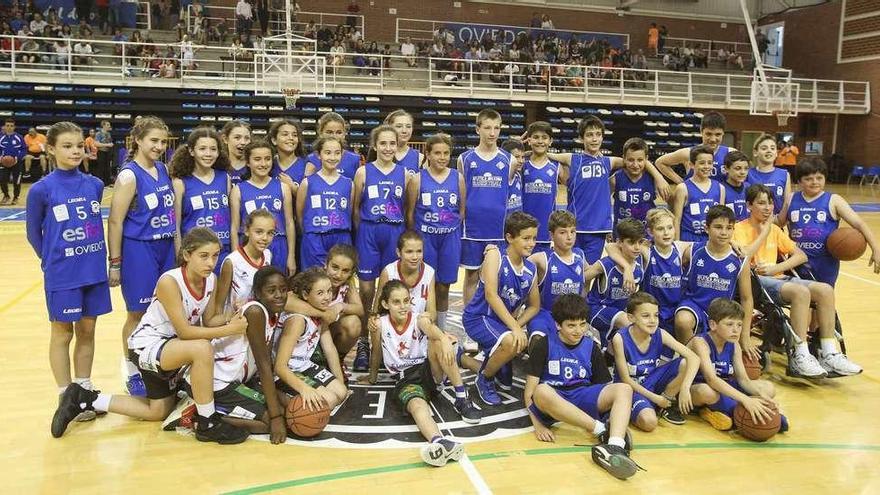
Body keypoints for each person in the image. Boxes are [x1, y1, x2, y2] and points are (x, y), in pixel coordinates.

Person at [51, 228, 251, 443]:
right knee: (202, 348)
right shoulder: (170, 281)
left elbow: (211, 320)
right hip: (147, 345)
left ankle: (85, 398)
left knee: (158, 412)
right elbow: (185, 331)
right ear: (186, 255)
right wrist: (229, 330)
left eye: (215, 256)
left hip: (170, 347)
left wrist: (235, 314)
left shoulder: (210, 279)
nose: (211, 262)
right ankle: (207, 422)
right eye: (204, 256)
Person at [26, 121, 112, 425]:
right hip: (63, 274)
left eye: (79, 146)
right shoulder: (41, 189)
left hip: (93, 270)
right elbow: (34, 234)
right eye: (67, 146)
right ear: (51, 149)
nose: (75, 151)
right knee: (62, 333)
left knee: (87, 332)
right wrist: (51, 260)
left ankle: (84, 391)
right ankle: (65, 395)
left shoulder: (94, 185)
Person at [736, 183, 862, 377]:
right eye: (761, 203)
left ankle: (828, 351)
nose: (768, 207)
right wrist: (764, 231)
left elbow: (800, 256)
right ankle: (799, 354)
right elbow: (745, 255)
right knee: (800, 292)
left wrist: (776, 268)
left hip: (777, 277)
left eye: (770, 203)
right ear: (749, 206)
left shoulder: (776, 231)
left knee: (825, 290)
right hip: (755, 282)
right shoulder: (739, 229)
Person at [524, 294, 641, 480]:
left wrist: (609, 415)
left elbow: (603, 387)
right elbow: (529, 393)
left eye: (582, 324)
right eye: (571, 325)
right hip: (555, 400)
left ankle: (615, 447)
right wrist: (537, 425)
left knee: (623, 389)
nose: (578, 330)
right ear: (558, 325)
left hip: (582, 396)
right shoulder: (544, 344)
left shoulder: (591, 347)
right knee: (541, 390)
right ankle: (601, 431)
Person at [365, 280, 480, 466]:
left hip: (429, 371)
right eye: (396, 302)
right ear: (385, 304)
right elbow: (377, 351)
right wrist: (372, 378)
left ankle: (461, 397)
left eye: (406, 300)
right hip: (405, 379)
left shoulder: (419, 318)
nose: (403, 306)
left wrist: (443, 338)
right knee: (417, 406)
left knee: (440, 342)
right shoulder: (379, 325)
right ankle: (439, 441)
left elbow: (430, 329)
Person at [107, 116, 177, 397]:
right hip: (139, 248)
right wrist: (115, 263)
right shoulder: (129, 175)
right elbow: (115, 221)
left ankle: (160, 364)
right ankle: (131, 368)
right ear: (137, 140)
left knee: (167, 310)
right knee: (137, 312)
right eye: (153, 141)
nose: (159, 146)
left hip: (166, 247)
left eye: (163, 141)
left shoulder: (163, 168)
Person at [542, 115, 669, 264]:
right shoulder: (573, 158)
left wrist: (659, 177)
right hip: (575, 226)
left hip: (598, 228)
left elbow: (636, 159)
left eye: (598, 134)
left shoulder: (608, 162)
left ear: (602, 137)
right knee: (570, 266)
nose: (594, 139)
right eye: (589, 135)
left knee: (588, 269)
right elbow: (545, 154)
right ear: (581, 138)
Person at [461, 211, 541, 406]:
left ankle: (462, 359)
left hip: (501, 324)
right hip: (478, 318)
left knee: (505, 382)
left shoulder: (530, 270)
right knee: (512, 342)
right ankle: (483, 379)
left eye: (534, 238)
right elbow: (491, 295)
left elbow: (534, 307)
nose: (531, 243)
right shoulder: (495, 256)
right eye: (526, 238)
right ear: (509, 238)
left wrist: (516, 325)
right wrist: (514, 329)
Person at [351, 125, 408, 370]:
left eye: (392, 143)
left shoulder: (406, 174)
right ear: (375, 145)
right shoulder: (363, 172)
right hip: (369, 231)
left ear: (398, 145)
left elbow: (408, 207)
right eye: (383, 143)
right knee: (366, 290)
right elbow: (355, 208)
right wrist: (362, 231)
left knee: (389, 290)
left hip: (394, 232)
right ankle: (364, 342)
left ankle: (387, 343)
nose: (387, 148)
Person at [688, 298, 784, 432]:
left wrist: (764, 397)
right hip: (698, 389)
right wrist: (746, 400)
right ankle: (736, 413)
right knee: (706, 392)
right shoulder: (700, 342)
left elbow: (743, 380)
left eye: (739, 325)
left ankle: (715, 412)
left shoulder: (734, 345)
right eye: (730, 324)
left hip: (723, 386)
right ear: (713, 325)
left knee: (768, 388)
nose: (736, 330)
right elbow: (712, 380)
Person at [611, 292, 700, 430]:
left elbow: (694, 358)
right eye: (646, 316)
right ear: (631, 317)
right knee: (649, 422)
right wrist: (655, 398)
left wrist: (685, 387)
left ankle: (665, 403)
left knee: (685, 363)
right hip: (631, 388)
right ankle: (636, 408)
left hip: (652, 381)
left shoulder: (661, 333)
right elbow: (626, 380)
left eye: (656, 315)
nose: (652, 320)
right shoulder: (620, 338)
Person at [788, 157, 880, 287]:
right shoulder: (791, 198)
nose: (815, 182)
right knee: (799, 301)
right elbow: (778, 222)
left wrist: (876, 249)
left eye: (819, 178)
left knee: (822, 301)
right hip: (795, 261)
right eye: (808, 179)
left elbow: (860, 224)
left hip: (824, 262)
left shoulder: (834, 200)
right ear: (799, 181)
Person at [457, 109, 514, 307]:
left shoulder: (509, 160)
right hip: (471, 228)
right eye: (487, 127)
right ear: (477, 129)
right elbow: (462, 191)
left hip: (498, 229)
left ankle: (494, 318)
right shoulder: (465, 159)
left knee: (497, 276)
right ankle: (469, 319)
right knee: (472, 275)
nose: (492, 133)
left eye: (496, 128)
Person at [674, 205, 753, 344]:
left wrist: (745, 336)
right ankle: (690, 357)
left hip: (722, 312)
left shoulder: (740, 259)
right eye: (718, 227)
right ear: (706, 228)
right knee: (683, 320)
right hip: (694, 306)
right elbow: (667, 245)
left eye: (729, 228)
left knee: (731, 351)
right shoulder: (692, 251)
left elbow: (746, 299)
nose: (724, 232)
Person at [275, 269, 349, 412]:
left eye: (329, 291)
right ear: (305, 295)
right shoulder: (297, 320)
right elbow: (280, 367)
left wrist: (341, 384)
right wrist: (304, 389)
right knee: (328, 401)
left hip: (303, 366)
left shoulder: (320, 313)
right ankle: (276, 395)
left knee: (340, 393)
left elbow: (330, 349)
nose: (327, 297)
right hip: (285, 371)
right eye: (320, 293)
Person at [285, 244, 364, 366]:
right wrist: (323, 314)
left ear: (351, 273)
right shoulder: (315, 278)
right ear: (326, 264)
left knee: (353, 323)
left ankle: (337, 361)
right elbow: (286, 300)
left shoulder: (347, 284)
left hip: (325, 335)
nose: (338, 274)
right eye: (335, 267)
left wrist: (340, 306)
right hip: (304, 335)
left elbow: (359, 309)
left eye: (345, 271)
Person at [170, 127, 232, 275]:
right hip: (195, 253)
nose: (208, 154)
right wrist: (180, 255)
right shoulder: (180, 182)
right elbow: (175, 225)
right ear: (192, 151)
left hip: (222, 250)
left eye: (213, 149)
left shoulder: (225, 178)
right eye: (202, 149)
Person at [230, 140, 296, 276]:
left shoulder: (283, 187)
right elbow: (235, 227)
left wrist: (291, 256)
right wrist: (235, 257)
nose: (263, 164)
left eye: (267, 159)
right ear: (248, 162)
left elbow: (289, 223)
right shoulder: (238, 190)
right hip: (250, 246)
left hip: (278, 245)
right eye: (257, 159)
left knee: (276, 290)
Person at [585, 218, 645, 348]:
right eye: (631, 242)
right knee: (631, 324)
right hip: (597, 309)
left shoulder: (639, 267)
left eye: (640, 242)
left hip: (618, 313)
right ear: (619, 243)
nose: (637, 247)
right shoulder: (606, 264)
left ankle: (611, 354)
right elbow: (583, 277)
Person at [296, 136, 354, 269]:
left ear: (342, 154)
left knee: (340, 279)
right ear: (318, 155)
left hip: (341, 235)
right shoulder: (307, 183)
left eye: (337, 153)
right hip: (314, 236)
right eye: (327, 152)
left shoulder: (349, 183)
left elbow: (349, 212)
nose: (332, 157)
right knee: (315, 280)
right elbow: (300, 214)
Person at [654, 111, 736, 185]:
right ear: (701, 131)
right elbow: (660, 162)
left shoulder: (731, 153)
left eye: (717, 134)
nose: (713, 139)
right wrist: (681, 183)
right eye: (708, 134)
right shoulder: (688, 153)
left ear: (723, 133)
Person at [372, 230, 436, 319]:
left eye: (419, 251)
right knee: (377, 323)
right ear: (398, 252)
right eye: (409, 252)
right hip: (393, 326)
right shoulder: (388, 272)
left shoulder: (429, 272)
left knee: (426, 321)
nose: (415, 257)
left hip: (418, 324)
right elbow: (377, 311)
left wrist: (426, 318)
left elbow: (432, 313)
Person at [520, 121, 559, 255]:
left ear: (551, 141)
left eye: (544, 137)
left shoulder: (557, 166)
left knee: (542, 271)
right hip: (522, 227)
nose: (540, 141)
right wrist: (518, 145)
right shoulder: (521, 164)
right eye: (536, 137)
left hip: (545, 230)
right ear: (529, 140)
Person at [671, 144, 724, 241]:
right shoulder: (682, 188)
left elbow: (721, 220)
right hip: (688, 239)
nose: (707, 166)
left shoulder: (720, 188)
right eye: (702, 163)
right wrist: (677, 244)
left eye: (710, 163)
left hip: (711, 240)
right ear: (691, 164)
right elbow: (677, 220)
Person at [610, 137, 656, 227]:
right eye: (631, 160)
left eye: (640, 160)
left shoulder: (653, 179)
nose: (635, 165)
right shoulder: (615, 179)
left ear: (646, 159)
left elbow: (670, 202)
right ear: (624, 158)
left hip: (646, 234)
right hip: (621, 233)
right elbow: (602, 202)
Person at [305, 112, 362, 180]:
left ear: (344, 133)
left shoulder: (355, 159)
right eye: (329, 132)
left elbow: (358, 188)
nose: (334, 136)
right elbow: (307, 187)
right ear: (320, 133)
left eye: (339, 132)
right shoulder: (312, 159)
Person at [750, 133, 791, 224]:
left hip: (776, 223)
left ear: (776, 153)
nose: (769, 151)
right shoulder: (748, 174)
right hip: (754, 223)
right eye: (764, 148)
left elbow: (786, 203)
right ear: (755, 152)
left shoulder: (784, 174)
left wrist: (780, 220)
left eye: (772, 148)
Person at [268, 118, 308, 192]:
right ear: (274, 140)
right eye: (285, 134)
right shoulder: (267, 164)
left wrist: (292, 187)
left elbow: (311, 198)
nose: (290, 138)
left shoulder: (307, 165)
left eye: (294, 135)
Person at [384, 109, 423, 175]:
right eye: (399, 126)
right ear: (389, 128)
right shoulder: (380, 154)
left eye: (408, 126)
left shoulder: (420, 158)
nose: (404, 131)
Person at [0, 118, 26, 204]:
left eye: (11, 126)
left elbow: (24, 149)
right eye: (7, 125)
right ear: (4, 126)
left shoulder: (19, 137)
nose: (9, 127)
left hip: (16, 162)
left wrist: (17, 158)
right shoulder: (1, 137)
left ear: (14, 127)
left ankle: (16, 197)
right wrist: (1, 158)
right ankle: (6, 196)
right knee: (2, 179)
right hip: (3, 163)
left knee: (16, 181)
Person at [721, 150, 751, 222]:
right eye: (738, 168)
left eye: (746, 168)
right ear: (726, 168)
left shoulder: (749, 188)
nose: (743, 172)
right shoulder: (720, 189)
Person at [221, 120, 252, 186]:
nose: (243, 142)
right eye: (237, 137)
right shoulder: (218, 166)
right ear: (225, 139)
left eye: (247, 138)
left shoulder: (255, 166)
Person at [94, 120, 114, 187]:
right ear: (103, 125)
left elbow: (110, 142)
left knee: (107, 168)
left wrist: (110, 145)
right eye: (108, 125)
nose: (109, 126)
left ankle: (107, 183)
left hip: (108, 152)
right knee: (101, 168)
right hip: (101, 152)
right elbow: (96, 144)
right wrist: (107, 145)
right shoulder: (98, 134)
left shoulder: (108, 134)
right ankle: (99, 183)